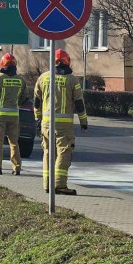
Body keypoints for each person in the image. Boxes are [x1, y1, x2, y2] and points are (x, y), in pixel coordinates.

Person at [34, 48, 88, 196]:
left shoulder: (43, 78)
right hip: (64, 126)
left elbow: (36, 101)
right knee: (64, 152)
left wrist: (37, 118)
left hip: (46, 123)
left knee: (47, 152)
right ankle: (59, 185)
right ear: (67, 61)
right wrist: (84, 122)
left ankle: (47, 184)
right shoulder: (72, 80)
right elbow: (79, 103)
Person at [0, 53, 28, 176]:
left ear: (3, 64)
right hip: (14, 115)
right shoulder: (20, 80)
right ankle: (17, 168)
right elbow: (25, 97)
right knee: (14, 141)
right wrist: (17, 104)